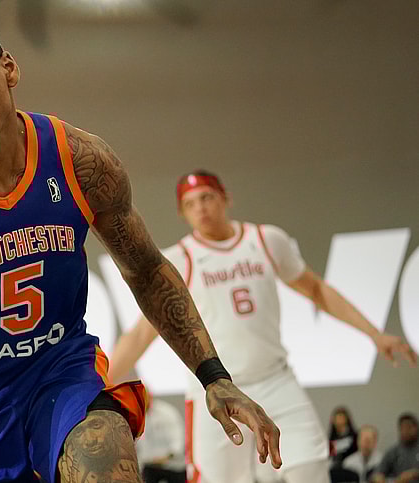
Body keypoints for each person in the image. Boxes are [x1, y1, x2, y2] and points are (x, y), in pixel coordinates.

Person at [0, 13, 282, 483]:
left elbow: (146, 269)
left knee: (105, 459)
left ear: (9, 69)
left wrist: (213, 375)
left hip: (55, 372)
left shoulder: (78, 159)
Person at [109, 170, 417, 483]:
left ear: (225, 198)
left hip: (275, 380)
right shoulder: (179, 259)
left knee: (310, 470)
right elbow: (140, 334)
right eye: (190, 203)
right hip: (216, 392)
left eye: (206, 197)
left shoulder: (266, 240)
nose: (200, 208)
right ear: (182, 213)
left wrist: (374, 333)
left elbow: (317, 290)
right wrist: (99, 381)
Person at [136, 395, 186, 483]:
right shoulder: (137, 416)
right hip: (149, 466)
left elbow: (178, 440)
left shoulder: (166, 412)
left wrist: (165, 457)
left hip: (173, 466)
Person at [371, 413, 419, 483]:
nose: (405, 431)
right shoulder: (394, 451)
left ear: (416, 428)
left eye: (409, 427)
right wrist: (378, 477)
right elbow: (378, 472)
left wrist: (414, 473)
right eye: (402, 428)